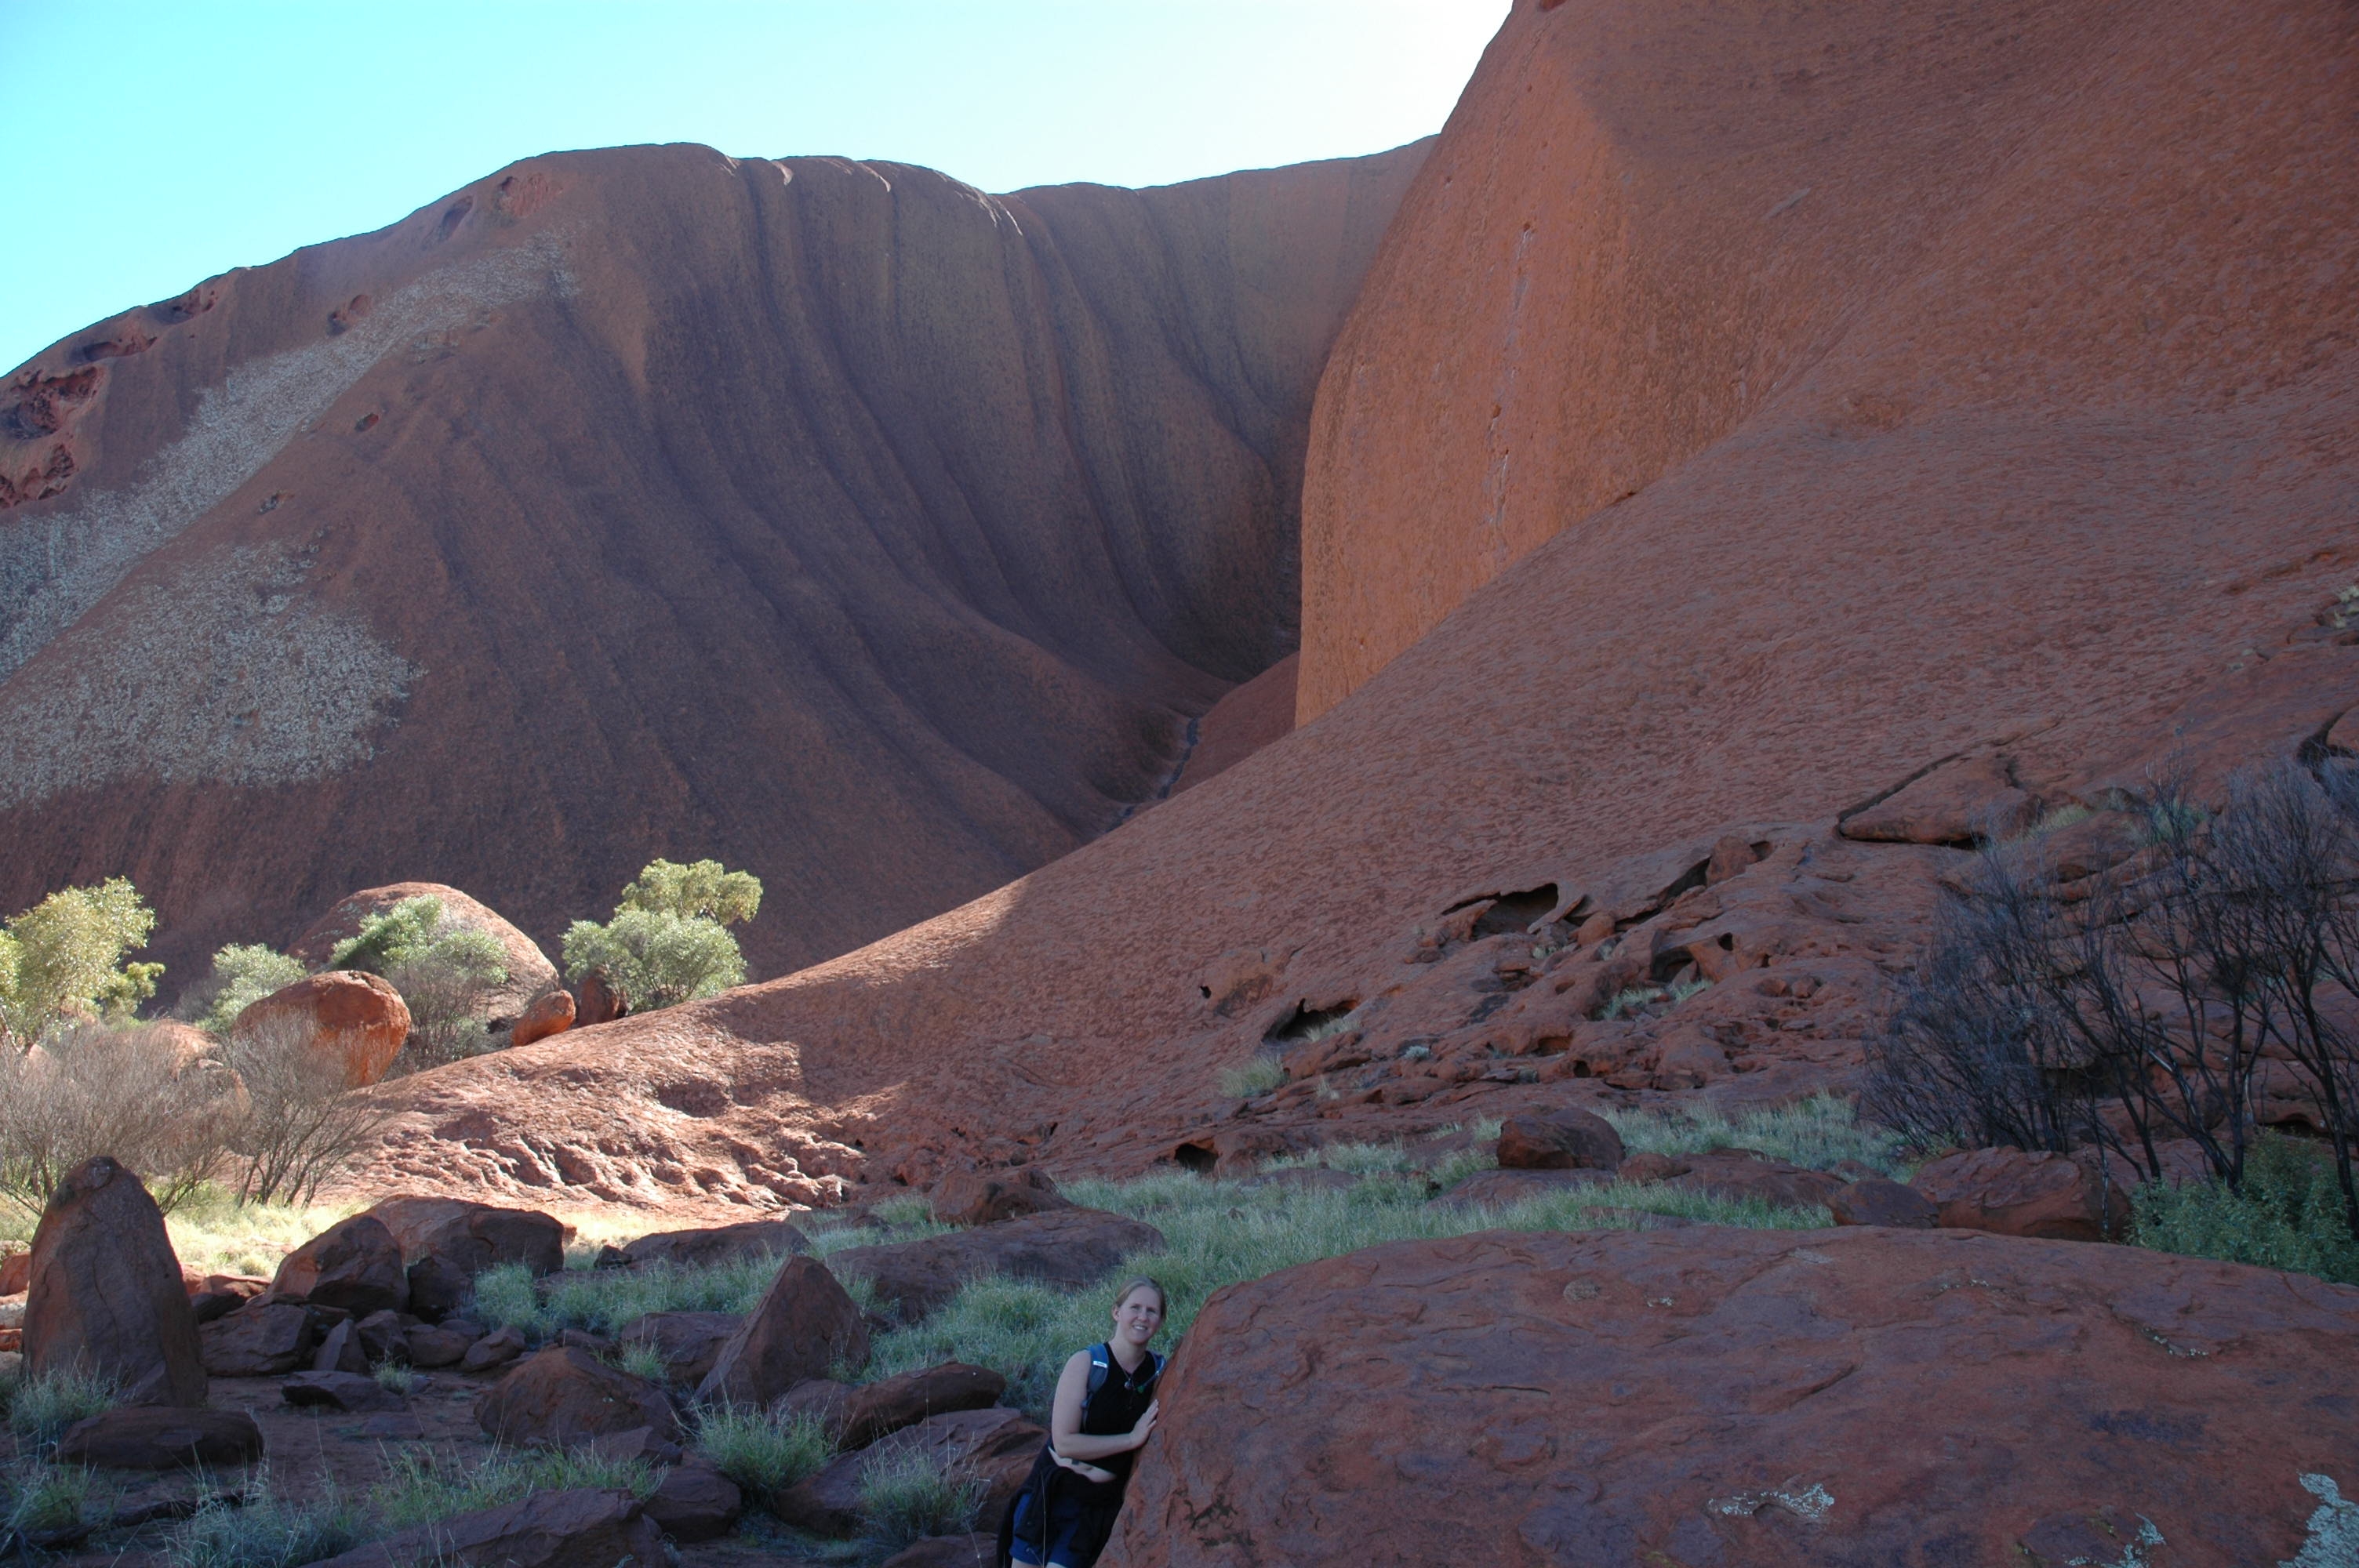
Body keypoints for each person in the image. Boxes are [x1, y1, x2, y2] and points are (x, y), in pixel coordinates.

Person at [999, 1277, 1168, 1568]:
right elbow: (1064, 1442)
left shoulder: (1158, 1373)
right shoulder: (1088, 1363)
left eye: (1152, 1311)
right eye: (1135, 1307)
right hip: (1049, 1496)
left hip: (1094, 1507)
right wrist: (1130, 1439)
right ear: (1117, 1312)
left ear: (1161, 1320)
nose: (1142, 1317)